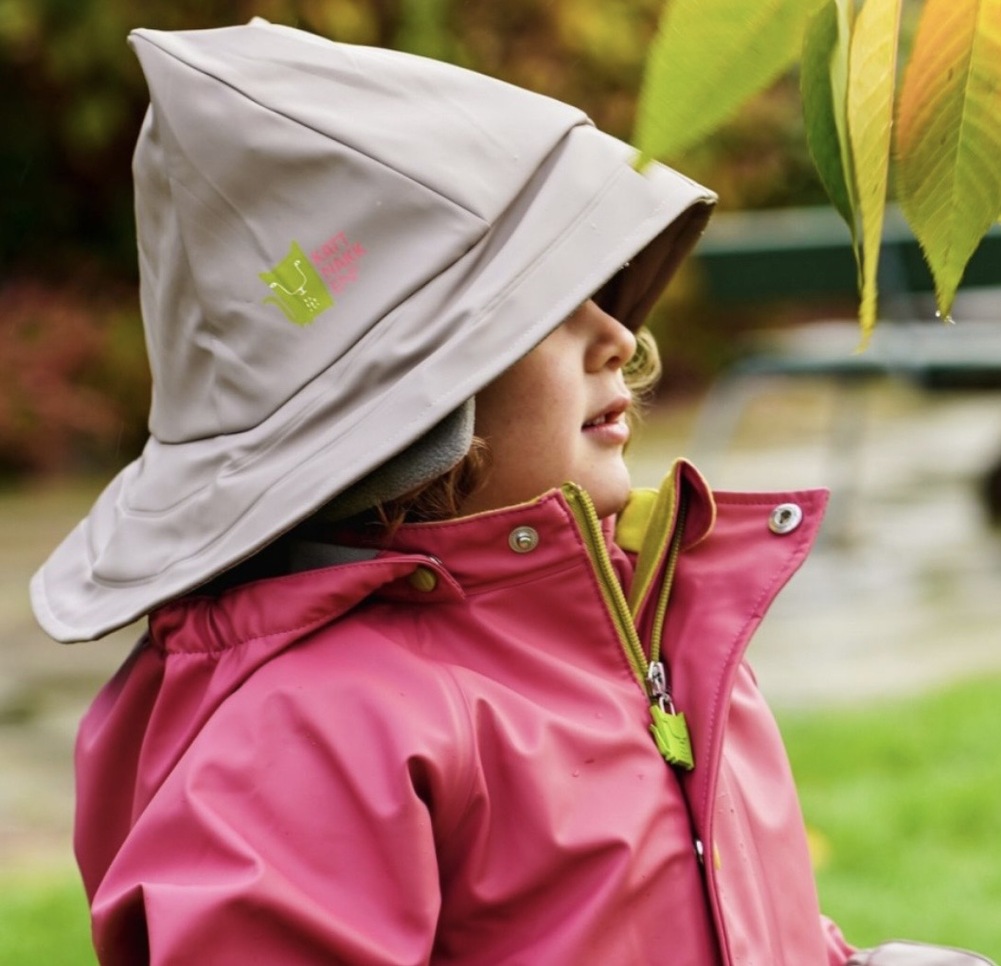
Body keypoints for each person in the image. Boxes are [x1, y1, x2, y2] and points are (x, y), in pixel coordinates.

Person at [31, 20, 995, 966]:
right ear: (404, 403)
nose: (617, 335)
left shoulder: (644, 627)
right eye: (542, 303)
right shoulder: (312, 734)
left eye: (600, 290)